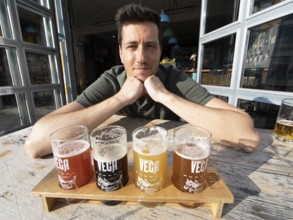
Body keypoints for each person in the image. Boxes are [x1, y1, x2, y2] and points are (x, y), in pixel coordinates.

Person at [25, 3, 259, 159]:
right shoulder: (111, 80)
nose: (141, 58)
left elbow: (247, 136)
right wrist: (121, 98)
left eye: (150, 46)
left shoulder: (175, 79)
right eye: (131, 46)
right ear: (120, 53)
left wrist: (164, 96)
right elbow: (36, 143)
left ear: (159, 51)